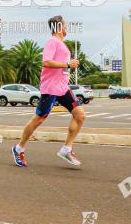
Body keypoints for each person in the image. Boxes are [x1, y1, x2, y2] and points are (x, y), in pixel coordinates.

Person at [12, 16, 84, 167]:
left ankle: (66, 149)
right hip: (51, 88)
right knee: (39, 119)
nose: (66, 28)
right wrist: (67, 64)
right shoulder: (52, 41)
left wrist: (69, 65)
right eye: (64, 25)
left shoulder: (61, 44)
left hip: (63, 87)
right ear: (59, 27)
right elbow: (46, 61)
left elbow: (62, 65)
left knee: (80, 115)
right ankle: (18, 149)